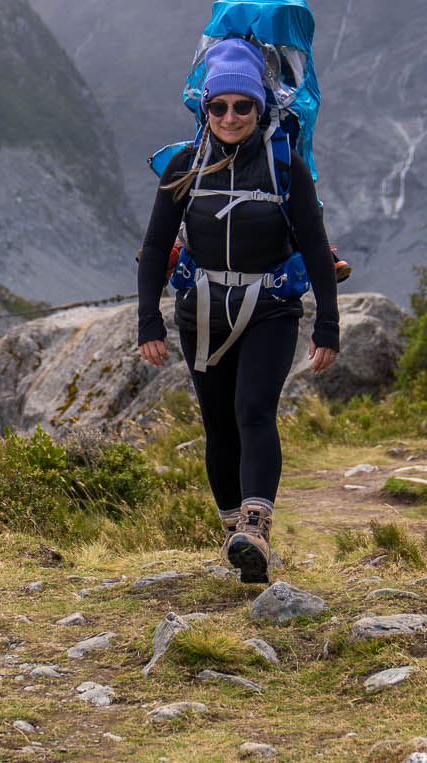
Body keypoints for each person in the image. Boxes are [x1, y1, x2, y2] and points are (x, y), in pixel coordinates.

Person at [136, 36, 338, 583]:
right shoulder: (184, 165)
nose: (230, 116)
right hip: (201, 311)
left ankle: (255, 528)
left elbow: (316, 248)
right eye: (218, 106)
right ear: (205, 108)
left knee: (253, 411)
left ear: (260, 107)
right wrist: (148, 321)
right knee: (219, 425)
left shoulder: (285, 168)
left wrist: (328, 324)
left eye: (242, 105)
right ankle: (236, 542)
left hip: (270, 308)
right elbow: (155, 247)